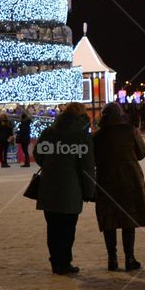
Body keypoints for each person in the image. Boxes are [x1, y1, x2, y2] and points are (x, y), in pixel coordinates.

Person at [34, 102, 96, 275]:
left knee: (52, 228)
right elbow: (87, 165)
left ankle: (56, 262)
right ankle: (65, 262)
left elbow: (39, 156)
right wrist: (90, 191)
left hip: (49, 187)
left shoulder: (50, 131)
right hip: (71, 188)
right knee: (68, 228)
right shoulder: (82, 135)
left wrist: (51, 164)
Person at [93, 102, 145, 272]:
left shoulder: (97, 136)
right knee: (128, 218)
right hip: (129, 178)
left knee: (109, 220)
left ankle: (112, 259)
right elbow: (141, 153)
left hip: (106, 179)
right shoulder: (129, 131)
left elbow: (92, 158)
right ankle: (129, 258)